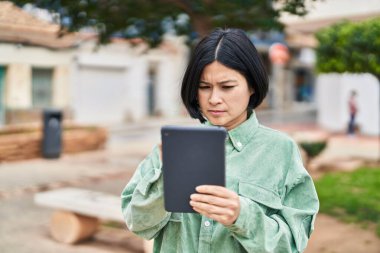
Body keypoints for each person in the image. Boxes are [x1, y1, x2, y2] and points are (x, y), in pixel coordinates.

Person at [121, 28, 319, 253]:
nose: (214, 99)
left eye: (227, 87)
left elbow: (292, 245)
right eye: (204, 87)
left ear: (251, 85)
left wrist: (242, 216)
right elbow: (138, 224)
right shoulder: (172, 148)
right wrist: (167, 177)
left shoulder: (281, 151)